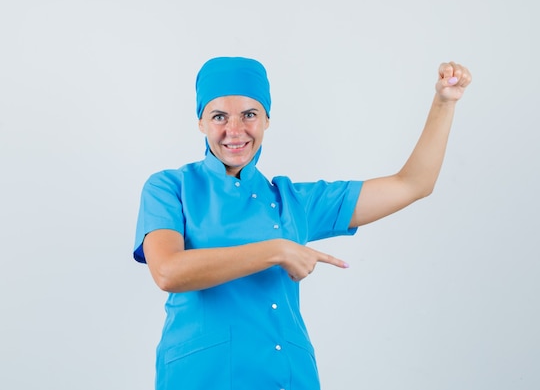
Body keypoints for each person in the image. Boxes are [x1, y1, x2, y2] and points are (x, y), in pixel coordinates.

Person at [133, 56, 471, 390]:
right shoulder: (170, 188)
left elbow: (412, 184)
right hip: (202, 377)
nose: (234, 131)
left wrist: (444, 102)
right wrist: (277, 250)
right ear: (201, 123)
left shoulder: (294, 202)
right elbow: (168, 272)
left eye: (249, 115)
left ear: (266, 120)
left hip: (288, 377)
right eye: (219, 116)